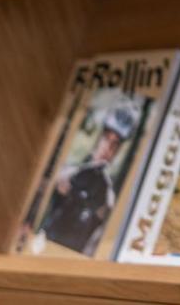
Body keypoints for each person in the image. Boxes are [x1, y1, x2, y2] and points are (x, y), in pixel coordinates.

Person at [40, 99, 140, 255]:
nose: (108, 149)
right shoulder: (70, 171)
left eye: (115, 145)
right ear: (99, 137)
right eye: (106, 139)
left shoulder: (108, 196)